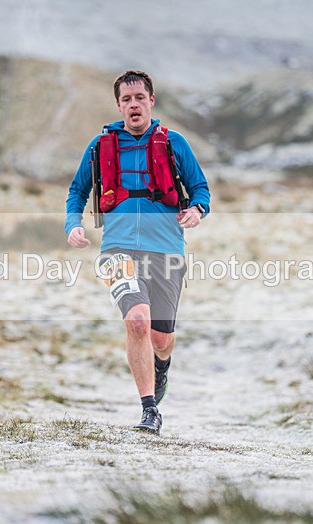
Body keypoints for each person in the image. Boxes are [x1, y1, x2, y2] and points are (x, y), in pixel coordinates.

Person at [65, 70, 211, 434]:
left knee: (161, 338)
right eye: (126, 99)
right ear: (118, 105)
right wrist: (74, 224)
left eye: (139, 98)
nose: (133, 104)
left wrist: (196, 210)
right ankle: (149, 409)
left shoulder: (174, 142)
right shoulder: (100, 147)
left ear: (151, 101)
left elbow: (201, 189)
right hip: (117, 249)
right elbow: (76, 192)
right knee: (137, 321)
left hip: (166, 250)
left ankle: (162, 365)